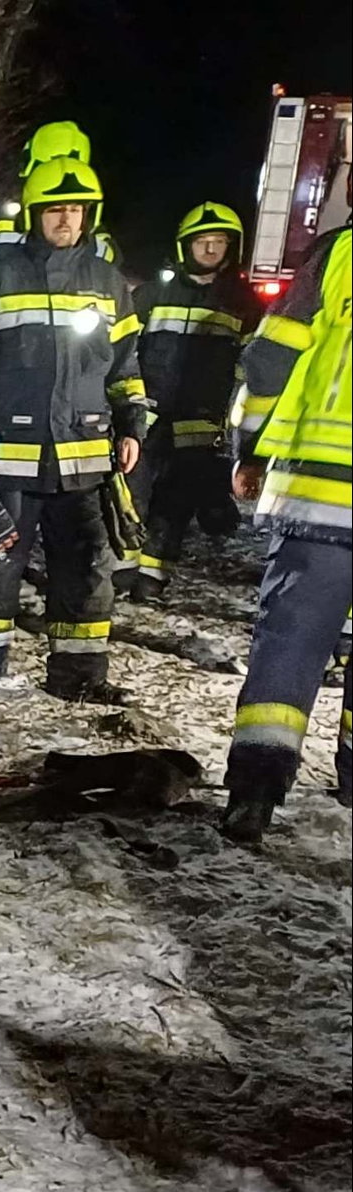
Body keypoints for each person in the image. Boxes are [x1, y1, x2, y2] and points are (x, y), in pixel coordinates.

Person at [0, 156, 147, 703]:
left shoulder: (108, 283)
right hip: (9, 455)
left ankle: (79, 677)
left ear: (88, 215)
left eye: (75, 209)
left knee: (87, 571)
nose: (65, 219)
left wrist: (132, 426)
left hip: (85, 458)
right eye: (54, 209)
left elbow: (125, 366)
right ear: (35, 214)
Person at [221, 224, 351, 842]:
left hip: (319, 494)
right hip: (320, 494)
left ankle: (254, 793)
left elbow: (272, 358)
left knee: (291, 643)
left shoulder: (337, 255)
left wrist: (248, 447)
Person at [122, 202, 261, 602]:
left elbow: (251, 369)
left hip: (200, 423)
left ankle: (153, 575)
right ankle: (121, 568)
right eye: (203, 241)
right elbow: (122, 350)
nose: (211, 249)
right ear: (186, 245)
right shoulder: (153, 294)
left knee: (176, 502)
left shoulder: (244, 304)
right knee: (130, 494)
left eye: (219, 242)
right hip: (147, 415)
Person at [0, 120, 116, 315]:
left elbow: (111, 291)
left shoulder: (94, 239)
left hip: (68, 334)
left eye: (74, 209)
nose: (65, 217)